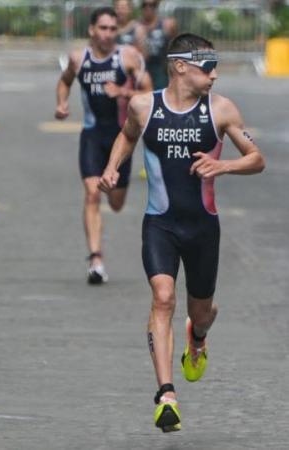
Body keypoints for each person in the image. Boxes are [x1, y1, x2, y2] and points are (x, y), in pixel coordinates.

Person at [98, 33, 265, 432]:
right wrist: (112, 167)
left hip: (203, 227)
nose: (215, 75)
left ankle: (199, 336)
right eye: (207, 68)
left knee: (200, 311)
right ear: (179, 66)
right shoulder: (144, 106)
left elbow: (257, 158)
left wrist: (221, 166)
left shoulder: (221, 111)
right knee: (163, 297)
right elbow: (126, 135)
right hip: (160, 223)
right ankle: (166, 394)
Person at [55, 7, 151, 284]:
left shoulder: (128, 57)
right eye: (103, 28)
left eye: (113, 29)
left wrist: (123, 92)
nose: (108, 34)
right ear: (91, 30)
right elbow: (64, 83)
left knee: (116, 202)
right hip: (92, 135)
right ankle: (95, 259)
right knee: (92, 194)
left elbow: (151, 92)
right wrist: (61, 104)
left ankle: (114, 197)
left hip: (123, 139)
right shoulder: (79, 59)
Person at [137, 0, 177, 90]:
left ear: (157, 6)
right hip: (143, 68)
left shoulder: (167, 24)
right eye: (145, 5)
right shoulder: (136, 25)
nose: (148, 8)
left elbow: (176, 45)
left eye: (152, 5)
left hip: (161, 68)